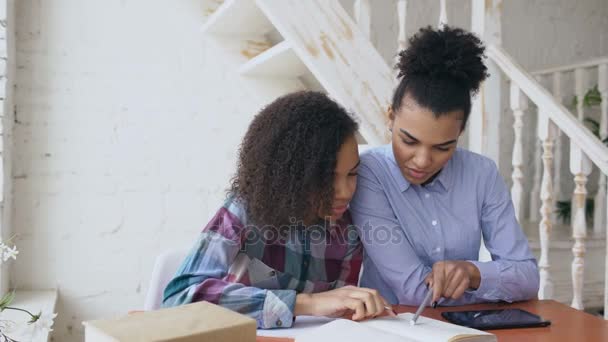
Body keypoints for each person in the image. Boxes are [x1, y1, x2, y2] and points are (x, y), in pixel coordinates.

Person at [162, 91, 394, 329]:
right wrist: (305, 303)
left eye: (352, 174)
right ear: (291, 175)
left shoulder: (348, 233)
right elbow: (179, 298)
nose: (345, 191)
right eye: (327, 178)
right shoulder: (245, 209)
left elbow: (338, 322)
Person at [350, 26, 539, 307]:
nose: (423, 160)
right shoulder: (369, 173)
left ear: (459, 133)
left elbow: (529, 278)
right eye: (408, 140)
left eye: (443, 147)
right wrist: (492, 282)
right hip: (392, 328)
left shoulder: (482, 174)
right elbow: (413, 291)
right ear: (390, 117)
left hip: (464, 330)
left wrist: (473, 272)